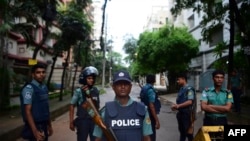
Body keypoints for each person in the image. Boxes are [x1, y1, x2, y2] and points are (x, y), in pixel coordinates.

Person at [93, 70, 153, 141]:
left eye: (126, 84)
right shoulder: (105, 112)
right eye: (119, 84)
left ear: (130, 87)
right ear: (113, 87)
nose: (123, 87)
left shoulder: (142, 109)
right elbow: (98, 139)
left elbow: (147, 138)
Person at [20, 63, 53, 141]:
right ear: (33, 75)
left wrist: (49, 125)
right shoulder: (29, 89)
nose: (41, 74)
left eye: (43, 72)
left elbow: (46, 107)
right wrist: (35, 132)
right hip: (35, 125)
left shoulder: (44, 87)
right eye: (38, 72)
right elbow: (27, 111)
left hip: (44, 124)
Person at [69, 66, 100, 141]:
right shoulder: (79, 91)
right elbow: (71, 105)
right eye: (89, 78)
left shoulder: (95, 90)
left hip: (94, 120)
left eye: (92, 78)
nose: (91, 80)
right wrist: (71, 122)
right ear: (84, 79)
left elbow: (97, 107)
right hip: (83, 121)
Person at [171, 73, 196, 141]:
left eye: (178, 79)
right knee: (182, 132)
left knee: (188, 133)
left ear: (183, 79)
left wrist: (178, 106)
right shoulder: (182, 89)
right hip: (181, 114)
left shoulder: (189, 89)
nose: (177, 81)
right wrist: (175, 106)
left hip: (187, 114)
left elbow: (190, 101)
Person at [140, 74, 160, 141]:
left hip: (143, 112)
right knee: (151, 134)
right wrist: (156, 120)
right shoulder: (151, 90)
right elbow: (152, 106)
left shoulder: (144, 88)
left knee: (145, 133)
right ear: (154, 80)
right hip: (150, 115)